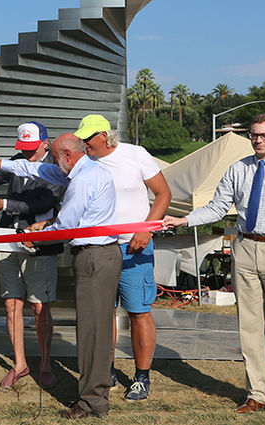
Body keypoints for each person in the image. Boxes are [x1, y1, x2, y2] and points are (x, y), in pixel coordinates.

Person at [164, 113, 265, 417]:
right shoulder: (238, 169)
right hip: (245, 248)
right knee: (249, 326)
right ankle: (257, 393)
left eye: (264, 135)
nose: (258, 140)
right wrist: (183, 220)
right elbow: (216, 208)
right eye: (253, 135)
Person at [0, 133, 121, 419]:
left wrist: (37, 237)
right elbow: (36, 169)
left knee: (93, 332)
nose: (53, 165)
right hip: (96, 255)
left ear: (66, 156)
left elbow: (67, 223)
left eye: (56, 158)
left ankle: (91, 401)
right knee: (92, 330)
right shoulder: (82, 170)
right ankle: (93, 396)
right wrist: (2, 164)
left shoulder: (81, 180)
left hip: (95, 256)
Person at [74, 114, 171, 401]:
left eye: (89, 138)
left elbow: (163, 194)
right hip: (98, 248)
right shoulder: (84, 163)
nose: (85, 143)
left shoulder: (135, 154)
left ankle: (142, 376)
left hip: (135, 247)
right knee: (103, 314)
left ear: (104, 135)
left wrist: (146, 230)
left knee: (138, 311)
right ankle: (108, 371)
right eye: (82, 138)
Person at [0, 121, 64, 390]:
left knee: (40, 306)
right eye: (23, 149)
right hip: (8, 239)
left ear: (45, 143)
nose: (27, 154)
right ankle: (20, 364)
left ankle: (45, 364)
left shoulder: (57, 169)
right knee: (11, 303)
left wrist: (3, 203)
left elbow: (43, 203)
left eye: (32, 149)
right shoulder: (17, 161)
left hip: (40, 243)